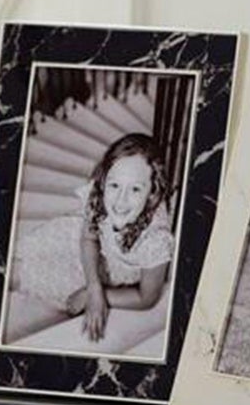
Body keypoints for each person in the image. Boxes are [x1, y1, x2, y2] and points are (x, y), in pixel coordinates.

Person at [15, 132, 175, 342]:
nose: (120, 201)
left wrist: (100, 296)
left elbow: (147, 298)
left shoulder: (156, 240)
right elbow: (89, 238)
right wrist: (94, 287)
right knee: (29, 260)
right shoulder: (98, 195)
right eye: (114, 185)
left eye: (135, 189)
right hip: (95, 248)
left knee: (69, 301)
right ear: (104, 180)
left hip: (121, 272)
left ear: (152, 192)